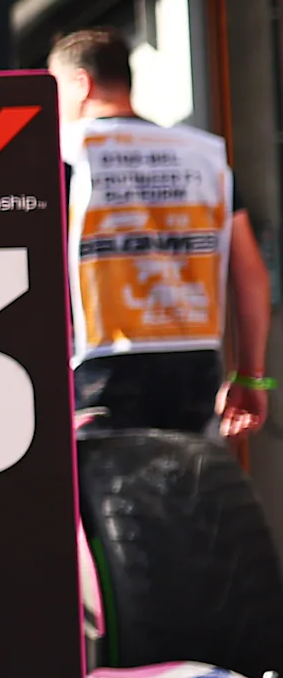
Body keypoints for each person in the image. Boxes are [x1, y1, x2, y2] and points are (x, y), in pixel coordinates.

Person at [53, 28, 272, 436]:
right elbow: (250, 275)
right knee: (184, 491)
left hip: (100, 366)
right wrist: (251, 375)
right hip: (194, 363)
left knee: (108, 494)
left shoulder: (64, 153)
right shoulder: (204, 154)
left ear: (81, 83)